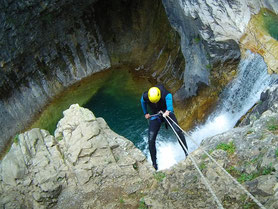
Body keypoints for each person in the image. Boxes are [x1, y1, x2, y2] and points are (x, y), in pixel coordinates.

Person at [140, 84, 188, 170]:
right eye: (153, 102)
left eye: (156, 101)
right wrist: (145, 113)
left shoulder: (166, 94)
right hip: (155, 115)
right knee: (151, 140)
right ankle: (154, 165)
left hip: (167, 113)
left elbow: (169, 104)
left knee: (178, 131)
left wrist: (168, 110)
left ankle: (187, 153)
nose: (154, 103)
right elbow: (142, 101)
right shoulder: (146, 96)